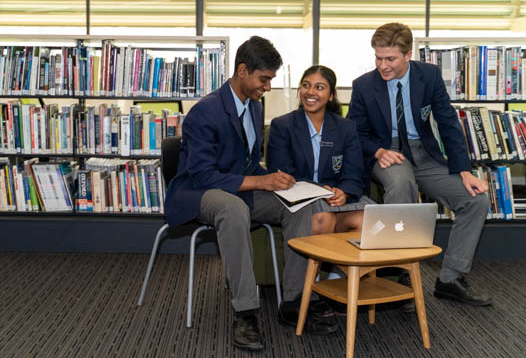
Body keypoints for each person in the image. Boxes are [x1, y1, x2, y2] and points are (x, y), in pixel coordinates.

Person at [164, 36, 336, 352]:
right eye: (264, 79)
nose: (268, 87)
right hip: (200, 192)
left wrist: (281, 181)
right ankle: (245, 312)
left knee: (305, 206)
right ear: (242, 70)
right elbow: (203, 175)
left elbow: (246, 161)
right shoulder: (206, 111)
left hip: (240, 191)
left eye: (270, 79)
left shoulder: (255, 107)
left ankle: (293, 301)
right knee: (232, 209)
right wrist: (260, 183)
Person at [347, 22, 492, 306]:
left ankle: (450, 279)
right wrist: (377, 151)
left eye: (390, 59)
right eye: (378, 57)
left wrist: (464, 170)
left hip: (424, 154)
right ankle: (399, 274)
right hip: (386, 151)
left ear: (408, 55)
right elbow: (354, 133)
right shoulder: (363, 85)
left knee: (476, 199)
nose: (382, 65)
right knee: (402, 184)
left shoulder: (429, 76)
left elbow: (448, 122)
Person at [266, 65, 372, 235]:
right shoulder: (282, 126)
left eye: (319, 87)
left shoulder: (346, 128)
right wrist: (321, 191)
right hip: (302, 199)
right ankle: (319, 261)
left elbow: (354, 173)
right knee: (323, 219)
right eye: (306, 85)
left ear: (331, 95)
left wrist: (344, 192)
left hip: (338, 200)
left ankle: (343, 262)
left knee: (365, 221)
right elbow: (282, 173)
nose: (310, 92)